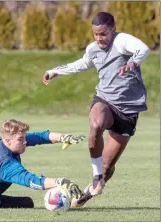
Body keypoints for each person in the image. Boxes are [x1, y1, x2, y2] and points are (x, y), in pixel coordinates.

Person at [43, 12, 150, 207]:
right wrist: (56, 71)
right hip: (105, 100)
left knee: (108, 165)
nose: (99, 38)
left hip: (128, 110)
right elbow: (83, 64)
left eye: (103, 34)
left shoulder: (122, 41)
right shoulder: (93, 49)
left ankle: (90, 191)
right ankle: (96, 176)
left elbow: (143, 49)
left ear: (113, 29)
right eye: (95, 34)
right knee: (96, 123)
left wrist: (133, 62)